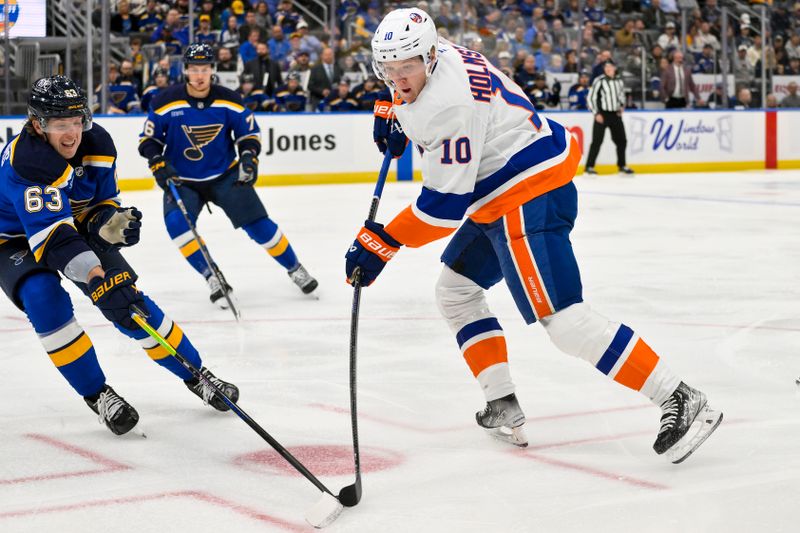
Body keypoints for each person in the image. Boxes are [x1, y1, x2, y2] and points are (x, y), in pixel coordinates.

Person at [344, 8, 723, 463]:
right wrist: (392, 107)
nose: (397, 76)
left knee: (564, 321)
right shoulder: (436, 52)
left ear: (427, 58)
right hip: (508, 186)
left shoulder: (448, 105)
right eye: (387, 67)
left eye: (405, 67)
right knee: (456, 292)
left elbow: (442, 209)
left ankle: (679, 397)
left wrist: (381, 242)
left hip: (525, 193)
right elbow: (407, 89)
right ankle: (502, 403)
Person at [0, 76, 240, 436]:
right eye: (60, 125)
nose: (71, 134)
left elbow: (97, 203)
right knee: (43, 297)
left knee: (129, 304)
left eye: (76, 121)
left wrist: (107, 222)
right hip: (15, 239)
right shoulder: (28, 162)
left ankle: (197, 375)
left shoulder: (97, 143)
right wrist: (97, 276)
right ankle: (98, 395)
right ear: (38, 125)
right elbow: (53, 238)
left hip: (67, 228)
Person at [138, 44, 318, 307]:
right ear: (186, 71)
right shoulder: (165, 101)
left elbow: (248, 135)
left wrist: (248, 157)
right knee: (178, 225)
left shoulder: (229, 99)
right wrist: (157, 162)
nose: (200, 75)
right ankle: (212, 276)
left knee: (259, 225)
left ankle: (294, 268)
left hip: (225, 174)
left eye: (205, 69)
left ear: (212, 70)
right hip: (182, 180)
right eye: (194, 69)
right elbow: (148, 140)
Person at [585, 59, 633, 175]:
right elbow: (591, 98)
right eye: (606, 67)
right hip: (602, 114)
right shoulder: (599, 81)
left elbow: (621, 96)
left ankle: (622, 166)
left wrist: (622, 106)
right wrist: (596, 113)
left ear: (614, 68)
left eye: (610, 67)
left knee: (622, 141)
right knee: (597, 141)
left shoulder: (619, 81)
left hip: (615, 115)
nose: (608, 69)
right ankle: (589, 167)